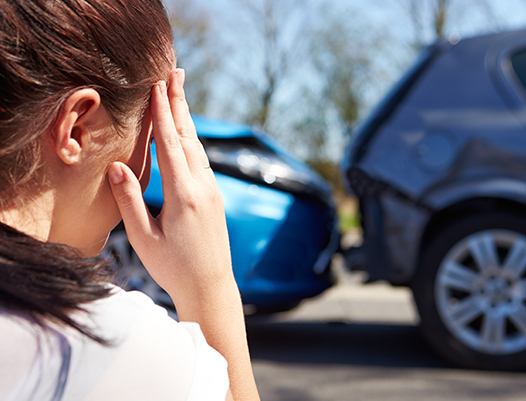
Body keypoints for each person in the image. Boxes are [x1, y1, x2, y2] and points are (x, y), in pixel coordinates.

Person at [0, 0, 260, 400]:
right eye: (153, 136)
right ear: (78, 130)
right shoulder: (112, 345)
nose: (147, 172)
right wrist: (211, 288)